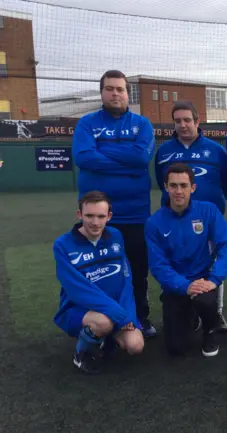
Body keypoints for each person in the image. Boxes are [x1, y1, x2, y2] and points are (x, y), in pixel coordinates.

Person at [72, 70, 157, 338]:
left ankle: (140, 318)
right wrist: (126, 162)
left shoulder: (142, 124)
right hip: (97, 217)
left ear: (127, 93)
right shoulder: (86, 123)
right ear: (102, 93)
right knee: (97, 272)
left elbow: (141, 159)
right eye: (110, 89)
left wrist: (103, 152)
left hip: (134, 214)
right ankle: (101, 322)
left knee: (136, 269)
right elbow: (84, 157)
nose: (115, 93)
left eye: (120, 89)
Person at [154, 101, 227, 332]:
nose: (183, 125)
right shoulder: (164, 151)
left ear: (197, 122)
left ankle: (215, 313)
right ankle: (186, 309)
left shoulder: (217, 150)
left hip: (208, 219)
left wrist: (213, 205)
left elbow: (226, 183)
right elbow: (162, 182)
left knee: (213, 263)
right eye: (178, 121)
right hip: (175, 218)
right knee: (176, 261)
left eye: (187, 120)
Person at [145, 163, 227, 357]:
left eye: (184, 185)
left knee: (205, 301)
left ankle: (209, 331)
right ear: (166, 187)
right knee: (176, 348)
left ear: (192, 188)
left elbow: (226, 248)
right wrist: (185, 286)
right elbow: (158, 266)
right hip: (176, 285)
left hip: (204, 281)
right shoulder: (154, 223)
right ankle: (192, 317)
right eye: (174, 185)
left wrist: (213, 280)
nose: (179, 191)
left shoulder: (209, 211)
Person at [53, 191, 145, 374]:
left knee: (136, 346)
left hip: (115, 308)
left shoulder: (116, 236)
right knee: (103, 322)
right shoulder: (63, 245)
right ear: (79, 215)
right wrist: (118, 314)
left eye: (101, 216)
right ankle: (81, 354)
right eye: (89, 216)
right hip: (78, 309)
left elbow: (126, 278)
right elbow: (77, 290)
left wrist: (129, 313)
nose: (95, 222)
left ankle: (105, 339)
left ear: (109, 216)